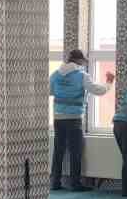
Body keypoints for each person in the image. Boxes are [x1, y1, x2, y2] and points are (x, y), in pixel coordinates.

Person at [49, 50, 114, 190]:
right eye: (83, 60)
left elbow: (50, 91)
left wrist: (63, 91)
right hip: (74, 118)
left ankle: (55, 182)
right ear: (78, 60)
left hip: (58, 118)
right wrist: (109, 82)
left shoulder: (55, 74)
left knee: (58, 151)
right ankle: (75, 183)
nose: (84, 62)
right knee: (75, 151)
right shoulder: (81, 75)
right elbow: (98, 90)